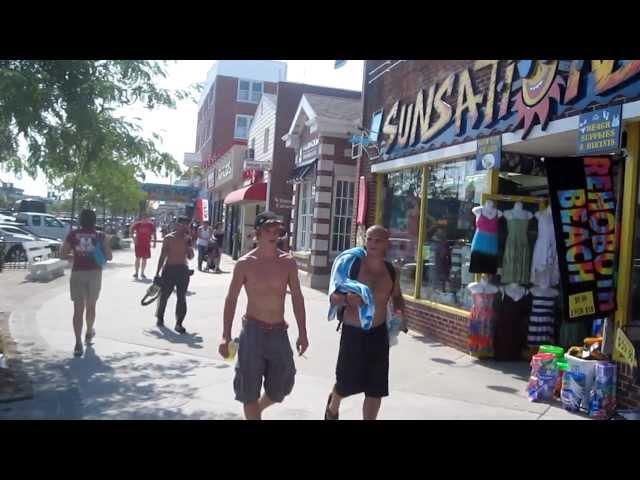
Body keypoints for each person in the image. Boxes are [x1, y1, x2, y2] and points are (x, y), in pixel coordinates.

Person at [219, 211, 308, 420]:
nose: (274, 234)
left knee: (283, 384)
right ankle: (253, 413)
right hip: (252, 331)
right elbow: (231, 299)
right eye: (268, 229)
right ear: (257, 233)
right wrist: (226, 335)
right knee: (248, 388)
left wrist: (303, 333)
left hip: (278, 332)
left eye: (277, 230)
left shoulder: (288, 263)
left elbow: (297, 298)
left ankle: (256, 411)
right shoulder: (245, 264)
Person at [324, 225, 406, 420]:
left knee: (375, 388)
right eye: (369, 239)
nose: (372, 244)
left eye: (377, 240)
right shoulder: (352, 266)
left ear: (387, 243)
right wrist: (347, 300)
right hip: (353, 332)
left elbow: (397, 296)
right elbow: (333, 297)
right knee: (345, 383)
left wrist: (400, 315)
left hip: (378, 334)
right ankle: (333, 406)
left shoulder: (391, 271)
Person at [61, 209, 113, 357]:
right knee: (91, 306)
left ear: (80, 220)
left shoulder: (73, 235)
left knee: (78, 309)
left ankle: (78, 343)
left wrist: (76, 255)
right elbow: (109, 257)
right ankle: (89, 332)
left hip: (78, 273)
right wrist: (105, 245)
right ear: (94, 221)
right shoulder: (100, 236)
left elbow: (63, 254)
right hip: (95, 274)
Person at [154, 216, 194, 334]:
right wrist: (157, 273)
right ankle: (160, 317)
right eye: (183, 224)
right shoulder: (169, 238)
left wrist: (188, 246)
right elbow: (162, 256)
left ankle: (179, 323)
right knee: (164, 296)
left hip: (183, 270)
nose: (185, 227)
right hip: (169, 270)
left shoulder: (188, 239)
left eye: (187, 224)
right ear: (177, 225)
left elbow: (190, 257)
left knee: (181, 297)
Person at [130, 213, 157, 279]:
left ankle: (142, 273)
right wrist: (133, 238)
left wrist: (154, 243)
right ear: (141, 218)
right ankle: (136, 273)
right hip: (138, 244)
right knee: (138, 258)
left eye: (146, 218)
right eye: (143, 218)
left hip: (146, 244)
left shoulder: (151, 225)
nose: (144, 219)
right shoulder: (137, 224)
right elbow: (131, 230)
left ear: (148, 218)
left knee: (144, 259)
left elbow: (154, 234)